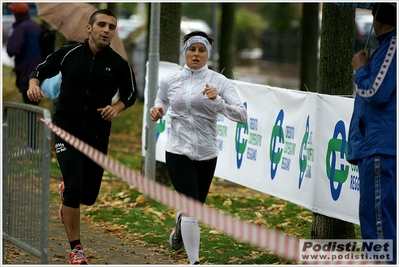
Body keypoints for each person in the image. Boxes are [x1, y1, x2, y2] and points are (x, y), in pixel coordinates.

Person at [27, 9, 137, 264]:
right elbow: (40, 70)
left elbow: (130, 95)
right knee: (75, 186)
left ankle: (68, 193)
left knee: (88, 196)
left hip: (97, 133)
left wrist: (116, 107)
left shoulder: (119, 64)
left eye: (111, 26)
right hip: (66, 129)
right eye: (101, 24)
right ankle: (76, 249)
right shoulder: (68, 53)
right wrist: (34, 86)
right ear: (90, 28)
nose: (106, 30)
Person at [150, 31, 247, 265]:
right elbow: (160, 100)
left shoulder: (219, 81)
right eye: (192, 49)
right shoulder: (170, 80)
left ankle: (179, 228)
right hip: (177, 150)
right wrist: (157, 110)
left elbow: (242, 115)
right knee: (193, 209)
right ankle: (195, 262)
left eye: (201, 50)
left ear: (207, 54)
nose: (196, 54)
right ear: (185, 52)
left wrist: (217, 102)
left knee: (194, 210)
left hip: (206, 153)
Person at [347, 3, 396, 264]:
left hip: (381, 146)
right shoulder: (385, 47)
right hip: (378, 145)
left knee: (377, 223)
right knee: (382, 219)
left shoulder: (392, 47)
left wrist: (360, 69)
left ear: (378, 22)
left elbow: (374, 92)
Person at [6, 2, 43, 105]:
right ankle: (35, 120)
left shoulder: (21, 28)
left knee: (29, 104)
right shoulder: (36, 26)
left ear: (16, 13)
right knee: (35, 102)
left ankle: (32, 121)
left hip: (26, 70)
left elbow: (12, 50)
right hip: (38, 69)